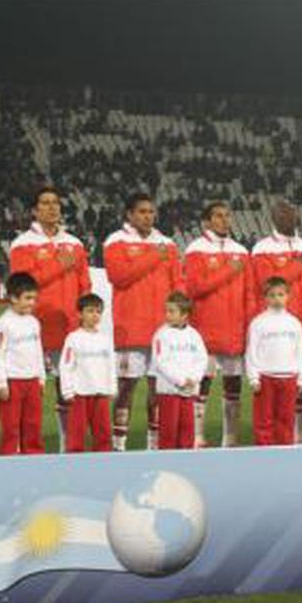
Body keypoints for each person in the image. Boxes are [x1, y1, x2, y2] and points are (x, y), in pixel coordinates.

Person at [9, 186, 91, 452]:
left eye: (55, 202)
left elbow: (85, 284)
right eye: (45, 203)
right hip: (34, 328)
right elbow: (21, 284)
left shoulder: (75, 244)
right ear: (34, 211)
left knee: (68, 388)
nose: (52, 207)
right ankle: (24, 447)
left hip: (69, 327)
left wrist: (84, 317)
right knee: (28, 390)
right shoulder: (23, 244)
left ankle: (67, 446)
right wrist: (58, 266)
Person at [103, 193, 183, 451]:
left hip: (163, 331)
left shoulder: (167, 244)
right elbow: (119, 276)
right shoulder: (116, 241)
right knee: (126, 387)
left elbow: (177, 283)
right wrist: (153, 256)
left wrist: (180, 316)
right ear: (130, 214)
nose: (148, 216)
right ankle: (118, 445)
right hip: (131, 328)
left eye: (151, 212)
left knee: (158, 388)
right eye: (142, 212)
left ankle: (154, 445)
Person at [251, 201, 302, 443]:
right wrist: (298, 265)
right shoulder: (262, 249)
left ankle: (299, 436)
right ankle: (270, 441)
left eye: (293, 212)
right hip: (277, 327)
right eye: (283, 213)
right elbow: (268, 284)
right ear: (273, 217)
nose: (290, 217)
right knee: (274, 390)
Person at [184, 201, 255, 448]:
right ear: (206, 222)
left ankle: (230, 438)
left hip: (234, 329)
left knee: (233, 385)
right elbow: (195, 288)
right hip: (206, 328)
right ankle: (197, 436)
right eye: (218, 216)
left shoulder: (241, 251)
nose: (224, 220)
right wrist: (228, 270)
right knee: (202, 383)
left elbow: (249, 292)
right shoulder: (196, 249)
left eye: (227, 216)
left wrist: (249, 324)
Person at [245, 276, 302, 446]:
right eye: (272, 295)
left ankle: (285, 450)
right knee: (264, 418)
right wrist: (253, 377)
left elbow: (301, 351)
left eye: (281, 294)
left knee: (286, 419)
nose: (277, 299)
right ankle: (264, 450)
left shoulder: (294, 323)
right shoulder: (258, 323)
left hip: (289, 377)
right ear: (265, 298)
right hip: (266, 377)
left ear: (288, 296)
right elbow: (252, 351)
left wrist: (301, 377)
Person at [0, 273, 45, 455]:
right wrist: (1, 383)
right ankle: (9, 458)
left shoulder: (34, 322)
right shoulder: (3, 324)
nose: (32, 303)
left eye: (34, 298)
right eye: (27, 298)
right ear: (13, 298)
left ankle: (34, 456)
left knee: (33, 424)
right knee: (11, 426)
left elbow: (38, 350)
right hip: (13, 382)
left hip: (32, 381)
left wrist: (41, 378)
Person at [59, 293, 117, 452]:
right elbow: (66, 365)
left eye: (98, 311)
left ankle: (103, 460)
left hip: (101, 393)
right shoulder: (73, 338)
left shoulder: (105, 339)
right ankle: (74, 462)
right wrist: (67, 390)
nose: (95, 315)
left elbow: (111, 365)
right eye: (90, 311)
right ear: (80, 314)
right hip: (80, 394)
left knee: (103, 433)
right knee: (76, 434)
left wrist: (112, 388)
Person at [151, 292, 208, 450]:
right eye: (166, 311)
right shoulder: (161, 335)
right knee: (168, 433)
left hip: (189, 391)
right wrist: (181, 380)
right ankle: (167, 461)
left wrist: (194, 378)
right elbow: (161, 362)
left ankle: (186, 461)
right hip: (169, 391)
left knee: (187, 431)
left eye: (172, 311)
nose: (167, 315)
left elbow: (202, 359)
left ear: (184, 315)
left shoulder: (194, 335)